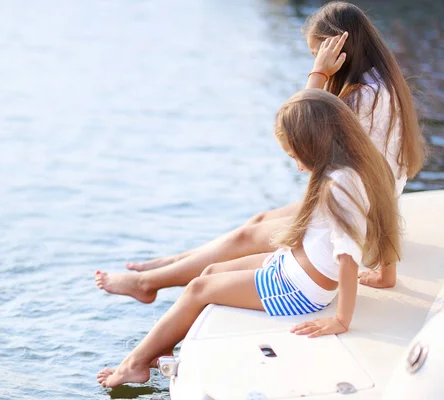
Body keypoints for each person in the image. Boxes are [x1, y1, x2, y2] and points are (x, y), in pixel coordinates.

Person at [94, 1, 425, 303]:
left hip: (356, 220)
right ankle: (175, 263)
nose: (316, 62)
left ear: (340, 51)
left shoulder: (364, 98)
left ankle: (149, 283)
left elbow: (299, 129)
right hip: (369, 209)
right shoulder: (383, 82)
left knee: (246, 236)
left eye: (318, 54)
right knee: (259, 222)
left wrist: (319, 74)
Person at [97, 89, 402, 388]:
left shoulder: (340, 185)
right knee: (211, 272)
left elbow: (347, 255)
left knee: (198, 288)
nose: (297, 165)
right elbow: (387, 219)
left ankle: (134, 364)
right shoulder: (351, 164)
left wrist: (341, 319)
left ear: (315, 144)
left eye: (297, 156)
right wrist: (387, 275)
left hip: (298, 289)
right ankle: (161, 347)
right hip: (289, 266)